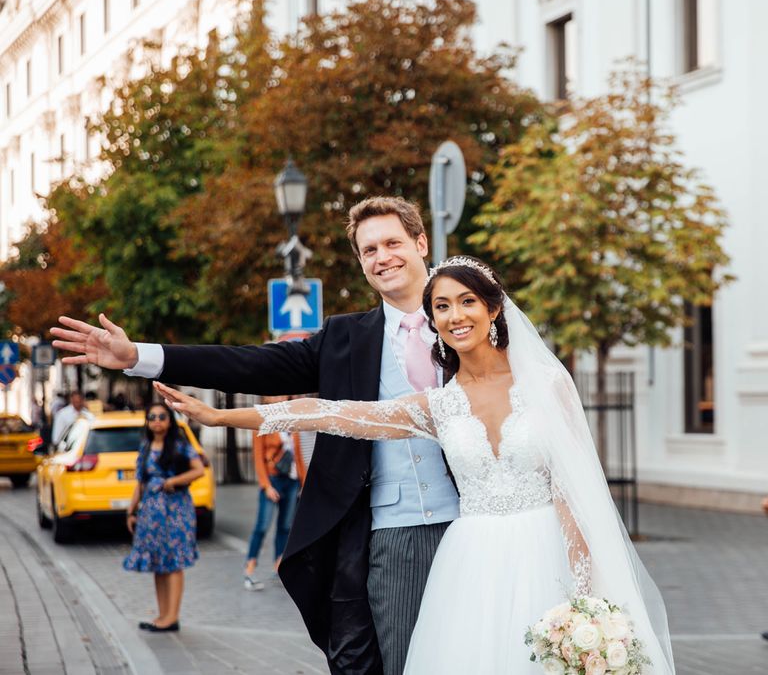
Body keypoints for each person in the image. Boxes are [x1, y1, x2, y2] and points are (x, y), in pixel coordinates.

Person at [155, 255, 676, 675]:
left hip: (548, 555)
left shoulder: (547, 386)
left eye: (467, 301)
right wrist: (221, 415)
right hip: (471, 563)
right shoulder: (438, 404)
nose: (456, 316)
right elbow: (330, 414)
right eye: (442, 307)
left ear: (494, 309)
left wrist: (584, 598)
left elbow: (575, 495)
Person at [51, 197, 454, 674]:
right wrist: (141, 355)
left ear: (421, 242)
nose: (382, 257)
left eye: (392, 243)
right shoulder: (344, 339)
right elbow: (250, 363)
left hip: (470, 523)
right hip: (385, 536)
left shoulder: (471, 321)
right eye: (369, 250)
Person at [124, 402, 205, 632]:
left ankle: (172, 617)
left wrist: (172, 481)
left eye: (162, 416)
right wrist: (131, 511)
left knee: (174, 562)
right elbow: (140, 483)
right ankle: (161, 616)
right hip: (151, 512)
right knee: (158, 563)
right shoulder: (146, 447)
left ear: (169, 421)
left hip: (177, 510)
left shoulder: (179, 445)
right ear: (148, 422)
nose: (157, 421)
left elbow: (198, 469)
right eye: (152, 417)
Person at [244, 395, 308, 591]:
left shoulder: (292, 419)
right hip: (273, 480)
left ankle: (279, 567)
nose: (279, 396)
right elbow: (258, 457)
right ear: (265, 398)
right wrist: (266, 485)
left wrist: (304, 483)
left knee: (285, 526)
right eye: (274, 394)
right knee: (262, 526)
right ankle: (249, 569)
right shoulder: (261, 420)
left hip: (291, 480)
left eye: (281, 393)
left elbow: (298, 455)